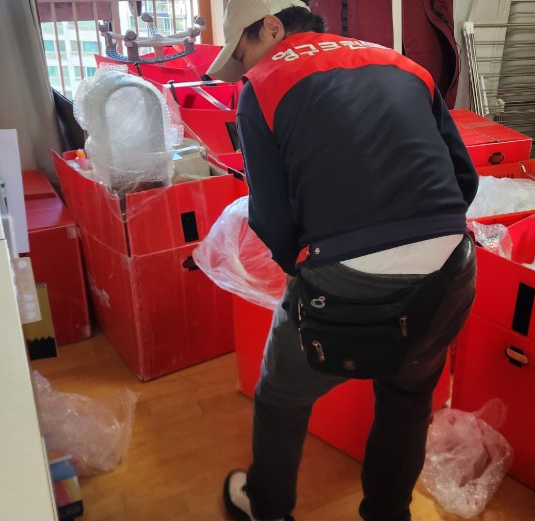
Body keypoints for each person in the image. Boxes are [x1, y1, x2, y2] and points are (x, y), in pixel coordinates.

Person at [207, 1, 478, 520]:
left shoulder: (262, 85)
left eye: (241, 53)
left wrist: (306, 272)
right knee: (407, 400)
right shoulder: (403, 65)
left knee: (281, 395)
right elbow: (463, 179)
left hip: (345, 276)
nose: (243, 68)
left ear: (272, 27)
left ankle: (267, 507)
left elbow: (271, 218)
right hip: (450, 270)